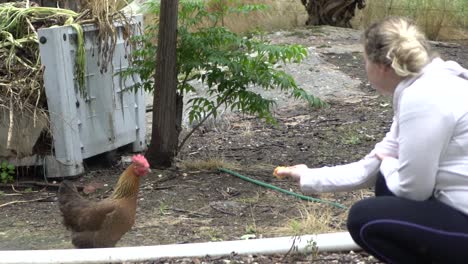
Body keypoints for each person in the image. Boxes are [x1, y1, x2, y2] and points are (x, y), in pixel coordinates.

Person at [275, 17, 468, 263]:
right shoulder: (425, 84)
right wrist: (307, 175)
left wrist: (388, 164)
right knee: (385, 186)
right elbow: (370, 167)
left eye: (364, 59)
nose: (364, 66)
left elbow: (413, 191)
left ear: (381, 66)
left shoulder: (424, 97)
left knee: (364, 219)